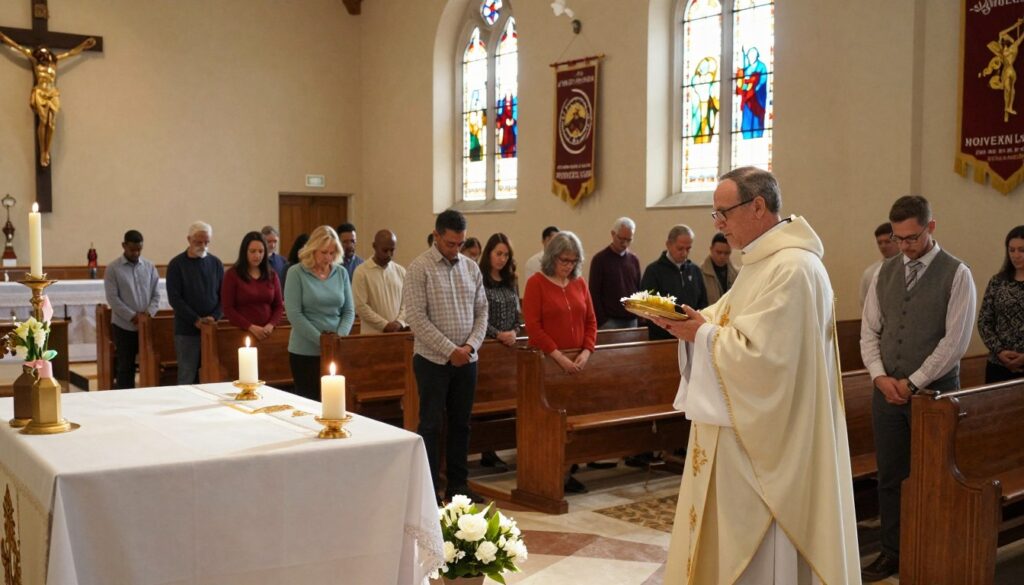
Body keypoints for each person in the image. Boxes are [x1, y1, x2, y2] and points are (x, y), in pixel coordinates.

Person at [657, 167, 859, 584]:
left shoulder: (794, 269)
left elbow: (771, 362)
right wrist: (689, 324)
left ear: (759, 206)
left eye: (722, 213)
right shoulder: (760, 264)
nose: (719, 224)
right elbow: (729, 318)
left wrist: (704, 334)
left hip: (772, 451)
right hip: (740, 442)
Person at [859, 195, 976, 582]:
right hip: (886, 393)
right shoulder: (883, 272)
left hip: (933, 395)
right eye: (899, 238)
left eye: (912, 238)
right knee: (890, 477)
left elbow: (955, 343)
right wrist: (880, 377)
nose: (905, 247)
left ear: (931, 227)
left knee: (932, 480)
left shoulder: (957, 274)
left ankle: (928, 551)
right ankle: (891, 552)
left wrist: (912, 383)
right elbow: (870, 331)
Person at [403, 210, 488, 503]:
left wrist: (470, 347)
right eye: (451, 243)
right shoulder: (419, 268)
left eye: (460, 244)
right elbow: (416, 317)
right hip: (432, 361)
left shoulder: (471, 268)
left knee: (461, 423)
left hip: (467, 360)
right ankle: (428, 490)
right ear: (437, 236)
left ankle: (458, 486)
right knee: (431, 424)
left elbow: (482, 311)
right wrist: (450, 350)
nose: (456, 249)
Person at [522, 231, 598, 493]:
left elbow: (591, 321)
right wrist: (559, 356)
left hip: (577, 362)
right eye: (564, 260)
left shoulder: (579, 284)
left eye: (573, 261)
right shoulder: (536, 283)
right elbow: (534, 327)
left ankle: (567, 472)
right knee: (551, 423)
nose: (568, 266)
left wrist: (586, 352)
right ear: (552, 258)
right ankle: (548, 474)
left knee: (574, 418)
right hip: (547, 362)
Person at [0, 32, 96, 167]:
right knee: (43, 120)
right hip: (40, 91)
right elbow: (18, 47)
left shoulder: (54, 63)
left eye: (46, 53)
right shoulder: (34, 62)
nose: (45, 56)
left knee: (51, 123)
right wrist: (3, 38)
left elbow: (71, 53)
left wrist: (83, 45)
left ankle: (47, 150)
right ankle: (42, 152)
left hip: (52, 92)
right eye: (42, 53)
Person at [284, 226, 355, 402]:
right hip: (305, 351)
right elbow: (295, 314)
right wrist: (322, 341)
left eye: (332, 253)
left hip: (335, 349)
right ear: (313, 249)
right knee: (309, 403)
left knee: (334, 402)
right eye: (324, 252)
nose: (328, 258)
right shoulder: (296, 273)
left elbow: (348, 311)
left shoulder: (341, 273)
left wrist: (339, 338)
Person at [479, 232, 520, 470]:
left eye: (506, 254)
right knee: (487, 397)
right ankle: (487, 449)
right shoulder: (480, 280)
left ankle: (499, 445)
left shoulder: (510, 280)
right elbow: (479, 316)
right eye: (498, 254)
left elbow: (517, 312)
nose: (502, 259)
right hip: (487, 346)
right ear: (489, 254)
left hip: (509, 347)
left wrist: (513, 331)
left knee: (505, 396)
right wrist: (497, 334)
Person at [166, 221, 224, 384]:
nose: (203, 246)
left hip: (212, 329)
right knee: (187, 373)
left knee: (211, 374)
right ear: (189, 240)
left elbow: (223, 296)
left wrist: (215, 316)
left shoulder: (216, 263)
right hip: (186, 330)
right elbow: (175, 299)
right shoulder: (177, 264)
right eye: (198, 242)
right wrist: (196, 320)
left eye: (206, 242)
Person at [103, 229, 160, 389]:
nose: (136, 253)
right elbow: (113, 298)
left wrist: (148, 313)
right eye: (132, 249)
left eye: (139, 250)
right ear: (124, 246)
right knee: (125, 366)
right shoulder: (113, 269)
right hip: (124, 326)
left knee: (148, 363)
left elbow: (156, 294)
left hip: (146, 324)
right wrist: (133, 317)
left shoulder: (149, 267)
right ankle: (124, 397)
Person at [640, 224, 708, 341]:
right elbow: (648, 307)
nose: (685, 253)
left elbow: (703, 304)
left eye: (688, 249)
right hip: (663, 338)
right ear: (668, 245)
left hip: (691, 336)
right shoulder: (653, 271)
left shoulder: (695, 270)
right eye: (680, 248)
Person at [978, 225, 1024, 383]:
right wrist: (1000, 351)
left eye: (1021, 250)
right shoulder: (998, 282)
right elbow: (984, 322)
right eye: (1012, 250)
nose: (1016, 255)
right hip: (998, 364)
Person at [221, 231, 284, 342]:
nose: (257, 255)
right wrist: (250, 326)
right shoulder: (232, 274)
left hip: (268, 333)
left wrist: (271, 325)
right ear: (244, 252)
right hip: (241, 332)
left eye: (261, 251)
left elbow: (278, 305)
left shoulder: (272, 275)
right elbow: (228, 308)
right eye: (252, 251)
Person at [589, 217, 641, 329]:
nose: (625, 243)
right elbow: (594, 293)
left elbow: (637, 288)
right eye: (621, 239)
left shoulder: (634, 260)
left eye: (629, 240)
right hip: (610, 321)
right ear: (613, 234)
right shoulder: (600, 260)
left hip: (632, 319)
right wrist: (602, 320)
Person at [352, 229, 407, 334]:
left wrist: (399, 322)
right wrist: (384, 325)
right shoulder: (361, 272)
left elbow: (407, 302)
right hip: (372, 336)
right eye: (385, 250)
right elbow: (361, 306)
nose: (389, 254)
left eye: (392, 250)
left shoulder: (401, 271)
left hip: (398, 333)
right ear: (374, 246)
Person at [858, 222, 900, 308]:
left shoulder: (910, 267)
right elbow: (864, 303)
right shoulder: (870, 273)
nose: (883, 246)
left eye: (887, 242)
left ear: (898, 241)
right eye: (879, 243)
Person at [700, 232, 737, 304]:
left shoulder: (736, 274)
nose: (722, 256)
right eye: (719, 252)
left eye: (726, 253)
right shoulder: (699, 273)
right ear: (711, 249)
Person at [522, 226, 559, 291]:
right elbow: (530, 289)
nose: (552, 244)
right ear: (543, 241)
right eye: (549, 240)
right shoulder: (532, 262)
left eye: (556, 241)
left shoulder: (562, 261)